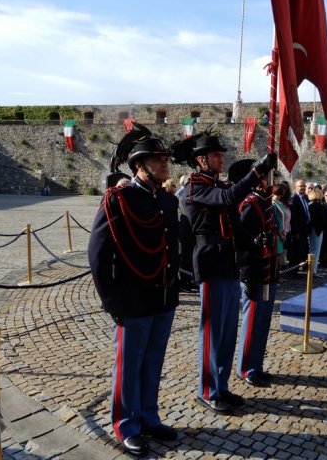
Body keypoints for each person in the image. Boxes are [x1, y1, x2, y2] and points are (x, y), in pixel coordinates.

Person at [88, 124, 180, 457]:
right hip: (133, 299)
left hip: (164, 297)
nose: (164, 165)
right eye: (156, 160)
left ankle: (148, 417)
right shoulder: (120, 198)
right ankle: (125, 424)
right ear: (140, 166)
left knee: (153, 362)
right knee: (129, 365)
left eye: (165, 159)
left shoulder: (168, 202)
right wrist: (112, 300)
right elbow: (98, 254)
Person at [180, 134, 277, 414]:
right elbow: (227, 198)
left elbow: (235, 223)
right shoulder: (196, 186)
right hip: (210, 262)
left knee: (227, 332)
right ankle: (207, 390)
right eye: (216, 155)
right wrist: (256, 170)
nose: (222, 159)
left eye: (222, 155)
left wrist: (254, 242)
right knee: (212, 332)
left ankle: (221, 386)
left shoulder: (218, 184)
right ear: (201, 160)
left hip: (229, 262)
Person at [228, 159, 279, 388]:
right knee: (252, 322)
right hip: (255, 272)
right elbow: (242, 244)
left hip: (270, 271)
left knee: (263, 322)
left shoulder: (266, 203)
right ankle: (246, 368)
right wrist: (246, 275)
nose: (270, 180)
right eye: (266, 176)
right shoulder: (250, 204)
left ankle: (256, 365)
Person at [288, 179, 311, 275]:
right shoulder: (294, 199)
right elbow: (293, 218)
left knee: (302, 250)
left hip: (304, 228)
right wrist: (296, 232)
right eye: (300, 186)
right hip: (298, 230)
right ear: (295, 187)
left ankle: (297, 269)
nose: (303, 188)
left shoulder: (305, 197)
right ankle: (293, 272)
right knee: (295, 252)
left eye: (304, 186)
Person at [307, 188, 327, 275]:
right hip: (317, 231)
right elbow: (324, 220)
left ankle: (311, 269)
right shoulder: (320, 207)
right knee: (315, 251)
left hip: (310, 230)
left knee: (311, 250)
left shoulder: (308, 205)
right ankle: (313, 271)